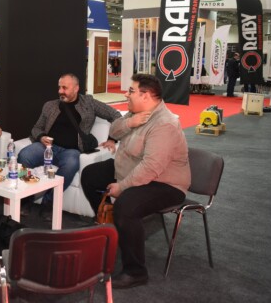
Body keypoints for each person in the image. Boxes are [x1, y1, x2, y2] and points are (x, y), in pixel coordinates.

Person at [80, 73, 190, 289]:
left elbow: (151, 168)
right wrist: (130, 122)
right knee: (90, 175)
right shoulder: (135, 112)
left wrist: (121, 186)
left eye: (131, 91)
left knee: (126, 205)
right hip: (132, 169)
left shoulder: (165, 124)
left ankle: (136, 271)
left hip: (165, 182)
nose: (126, 94)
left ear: (146, 95)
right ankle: (112, 228)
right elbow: (114, 130)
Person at [17, 73, 121, 214]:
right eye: (59, 87)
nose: (60, 91)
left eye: (64, 88)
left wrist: (112, 138)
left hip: (71, 151)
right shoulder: (50, 105)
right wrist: (41, 137)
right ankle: (25, 199)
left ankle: (48, 203)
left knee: (72, 162)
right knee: (24, 156)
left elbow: (116, 115)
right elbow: (36, 128)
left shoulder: (89, 103)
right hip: (47, 147)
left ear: (76, 88)